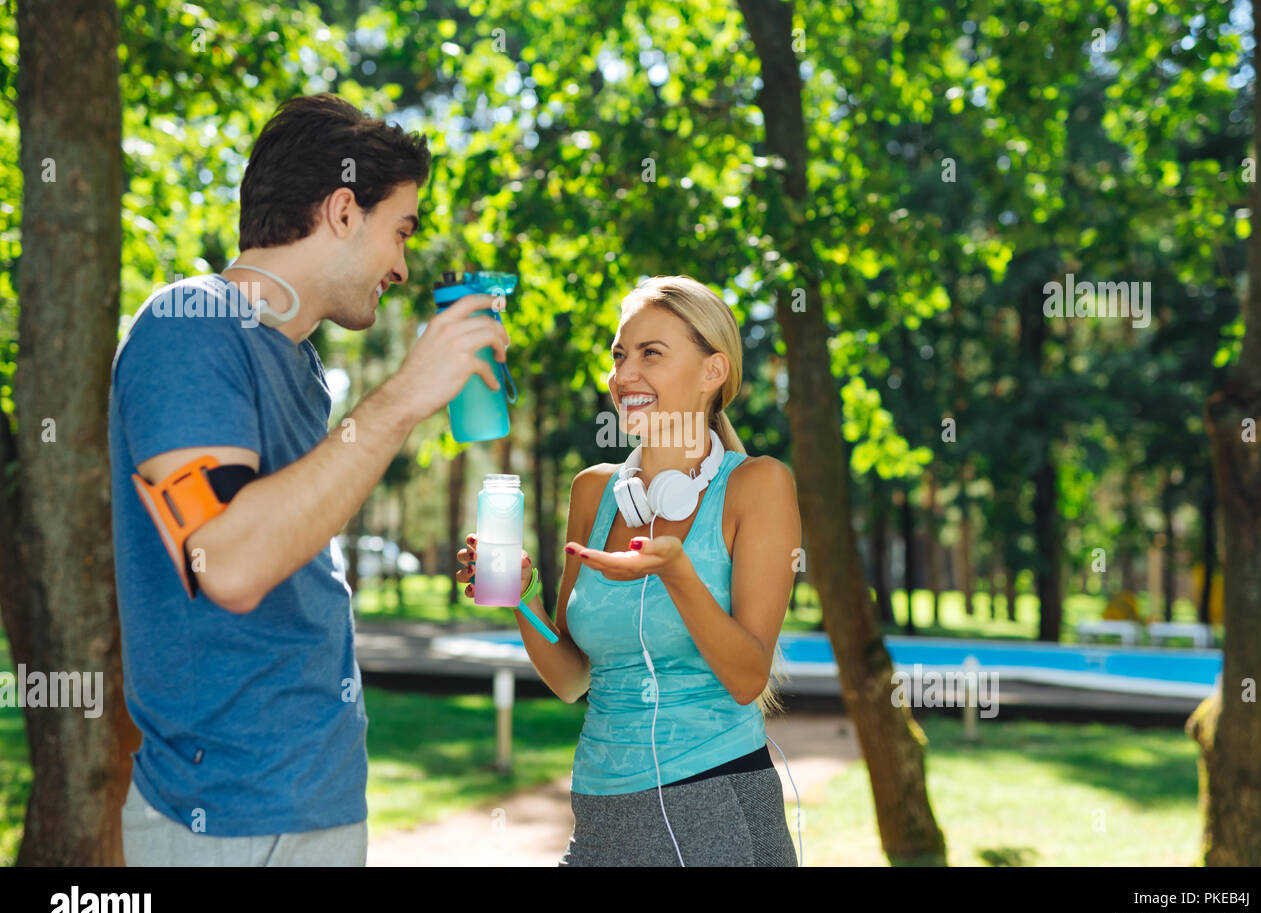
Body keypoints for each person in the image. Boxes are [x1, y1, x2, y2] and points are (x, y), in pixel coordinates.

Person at [109, 93, 510, 865]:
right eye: (401, 230)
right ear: (341, 210)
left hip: (311, 801)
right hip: (224, 815)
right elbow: (225, 562)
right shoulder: (188, 325)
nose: (401, 265)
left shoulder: (295, 364)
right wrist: (399, 400)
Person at [457, 275, 802, 866]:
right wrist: (523, 599)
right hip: (600, 812)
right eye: (619, 355)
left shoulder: (757, 485)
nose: (624, 375)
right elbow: (571, 679)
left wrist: (677, 573)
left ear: (712, 371)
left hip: (716, 807)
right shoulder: (594, 492)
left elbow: (747, 677)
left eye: (651, 354)